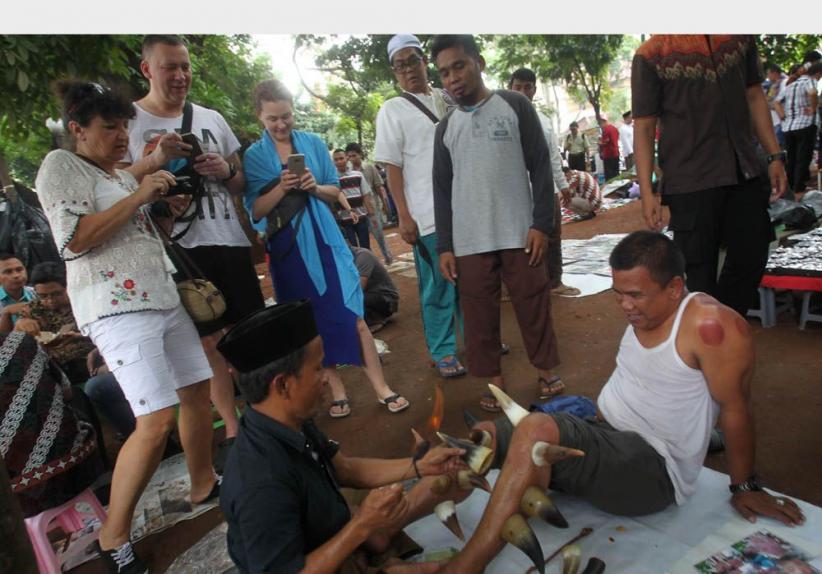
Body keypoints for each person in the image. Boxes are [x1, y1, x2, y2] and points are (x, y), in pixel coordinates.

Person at [443, 231, 806, 573]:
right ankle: (394, 517)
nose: (624, 305)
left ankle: (468, 564)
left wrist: (743, 486)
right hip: (604, 437)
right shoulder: (650, 308)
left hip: (651, 470)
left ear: (675, 287)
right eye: (618, 293)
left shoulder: (712, 327)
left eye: (635, 295)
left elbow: (736, 408)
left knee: (537, 428)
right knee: (483, 437)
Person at [36, 80, 219, 573]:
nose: (122, 136)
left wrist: (156, 172)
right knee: (155, 420)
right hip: (117, 307)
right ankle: (112, 535)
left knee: (197, 390)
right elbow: (73, 239)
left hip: (160, 295)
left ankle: (203, 481)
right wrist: (140, 194)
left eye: (124, 126)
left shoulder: (112, 173)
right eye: (109, 127)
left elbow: (136, 179)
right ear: (77, 130)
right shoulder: (61, 167)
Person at [218, 301, 464, 574]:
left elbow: (345, 469)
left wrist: (420, 465)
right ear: (283, 385)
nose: (325, 378)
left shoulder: (288, 421)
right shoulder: (260, 483)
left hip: (335, 541)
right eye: (318, 368)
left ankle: (374, 549)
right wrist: (361, 526)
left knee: (444, 481)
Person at [120, 35, 265, 443]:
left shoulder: (212, 118)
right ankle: (236, 431)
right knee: (208, 343)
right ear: (147, 69)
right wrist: (157, 177)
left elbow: (239, 183)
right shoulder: (129, 122)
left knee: (249, 332)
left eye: (185, 66)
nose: (181, 75)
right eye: (170, 66)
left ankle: (266, 417)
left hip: (229, 239)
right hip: (177, 251)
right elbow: (113, 186)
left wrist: (224, 169)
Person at [243, 79, 409, 418]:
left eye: (286, 116)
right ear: (259, 116)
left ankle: (382, 387)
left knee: (352, 315)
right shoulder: (255, 156)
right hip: (288, 252)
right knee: (309, 326)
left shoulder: (313, 144)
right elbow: (256, 210)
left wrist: (312, 186)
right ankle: (338, 392)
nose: (280, 124)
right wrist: (281, 188)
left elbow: (335, 192)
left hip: (325, 242)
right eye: (272, 118)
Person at [431, 35, 563, 412]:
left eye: (459, 66)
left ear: (479, 62)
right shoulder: (445, 129)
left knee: (533, 301)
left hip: (520, 233)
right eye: (444, 72)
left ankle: (546, 372)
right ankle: (495, 384)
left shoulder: (515, 105)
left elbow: (540, 165)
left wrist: (541, 224)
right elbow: (441, 190)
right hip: (469, 241)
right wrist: (445, 246)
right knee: (478, 314)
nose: (453, 78)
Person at [632, 35, 787, 318]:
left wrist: (775, 156)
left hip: (744, 172)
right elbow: (643, 126)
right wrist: (647, 193)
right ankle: (705, 342)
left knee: (752, 253)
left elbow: (754, 95)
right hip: (689, 179)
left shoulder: (739, 37)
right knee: (697, 272)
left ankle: (722, 322)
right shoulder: (651, 54)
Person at [374, 34, 466, 380]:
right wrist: (403, 216)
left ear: (424, 62)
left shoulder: (446, 97)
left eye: (413, 60)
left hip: (463, 207)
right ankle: (443, 350)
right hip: (427, 214)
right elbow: (391, 167)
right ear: (394, 72)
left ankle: (474, 337)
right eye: (400, 65)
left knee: (469, 279)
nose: (408, 69)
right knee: (437, 283)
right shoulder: (392, 110)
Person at [1, 331, 105, 518]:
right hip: (79, 464)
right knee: (77, 397)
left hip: (20, 498)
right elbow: (66, 391)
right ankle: (106, 477)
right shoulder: (20, 339)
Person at [508, 67, 580, 297]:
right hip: (515, 192)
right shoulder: (502, 121)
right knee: (515, 240)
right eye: (517, 87)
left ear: (534, 90)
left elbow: (552, 157)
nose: (522, 92)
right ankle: (512, 287)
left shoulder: (545, 121)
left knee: (552, 236)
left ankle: (555, 282)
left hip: (544, 190)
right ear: (510, 87)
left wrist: (562, 185)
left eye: (527, 87)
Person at [774, 62, 821, 200]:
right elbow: (812, 93)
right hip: (806, 124)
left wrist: (782, 115)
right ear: (818, 74)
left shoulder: (791, 84)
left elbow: (776, 102)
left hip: (788, 126)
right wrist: (813, 108)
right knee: (803, 157)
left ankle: (790, 187)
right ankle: (799, 189)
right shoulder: (810, 81)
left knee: (792, 157)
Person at [346, 143, 394, 265]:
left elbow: (378, 186)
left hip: (373, 206)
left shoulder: (369, 168)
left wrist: (384, 203)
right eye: (349, 156)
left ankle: (387, 255)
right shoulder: (347, 171)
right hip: (357, 209)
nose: (351, 158)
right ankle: (369, 261)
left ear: (360, 155)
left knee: (378, 233)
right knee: (363, 236)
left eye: (354, 155)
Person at [352, 245, 399, 333]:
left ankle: (377, 320)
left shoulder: (363, 256)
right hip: (372, 295)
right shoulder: (344, 260)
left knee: (354, 299)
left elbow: (359, 289)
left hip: (386, 300)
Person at [333, 149, 373, 250]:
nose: (339, 161)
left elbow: (365, 195)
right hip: (344, 219)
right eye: (336, 159)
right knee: (353, 248)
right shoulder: (333, 178)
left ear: (347, 158)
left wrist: (372, 214)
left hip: (361, 216)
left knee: (366, 246)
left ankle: (369, 264)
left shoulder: (358, 175)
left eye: (341, 158)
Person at [0, 253, 37, 331]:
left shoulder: (36, 294)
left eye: (19, 269)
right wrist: (6, 312)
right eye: (8, 272)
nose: (16, 275)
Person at [764, 64, 788, 149]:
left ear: (774, 73)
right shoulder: (773, 85)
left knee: (779, 146)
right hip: (774, 120)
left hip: (781, 120)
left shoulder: (784, 82)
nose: (767, 76)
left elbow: (777, 101)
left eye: (768, 74)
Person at [597, 115, 620, 181]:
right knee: (616, 173)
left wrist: (599, 143)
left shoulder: (606, 130)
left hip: (609, 154)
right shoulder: (615, 128)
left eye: (600, 123)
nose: (600, 125)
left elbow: (605, 142)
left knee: (609, 175)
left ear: (603, 121)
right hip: (616, 153)